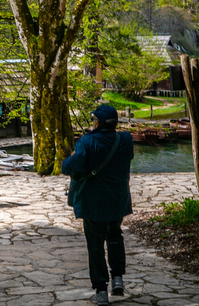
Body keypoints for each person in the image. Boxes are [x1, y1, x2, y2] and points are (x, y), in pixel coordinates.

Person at [62, 104, 134, 306]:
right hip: (117, 199)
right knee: (115, 236)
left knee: (95, 245)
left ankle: (101, 290)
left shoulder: (87, 141)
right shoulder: (125, 140)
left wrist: (68, 161)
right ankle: (118, 278)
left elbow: (70, 167)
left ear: (97, 122)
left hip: (93, 202)